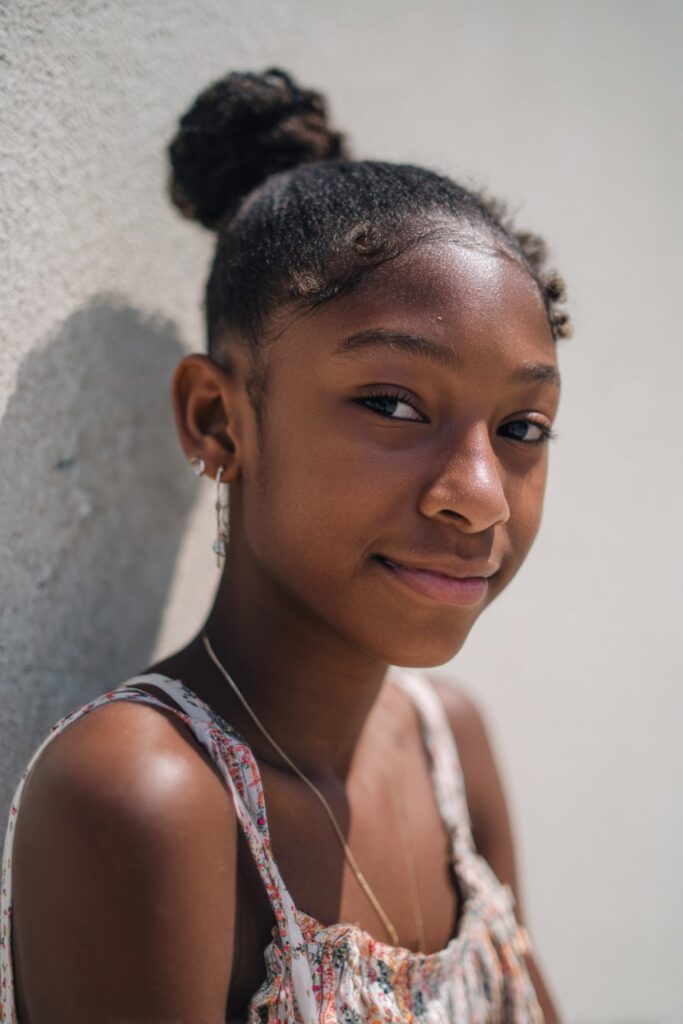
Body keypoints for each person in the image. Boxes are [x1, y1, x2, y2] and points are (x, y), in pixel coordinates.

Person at [0, 67, 571, 1023]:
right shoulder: (150, 799)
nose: (478, 497)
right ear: (219, 420)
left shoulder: (449, 751)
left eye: (522, 427)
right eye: (392, 405)